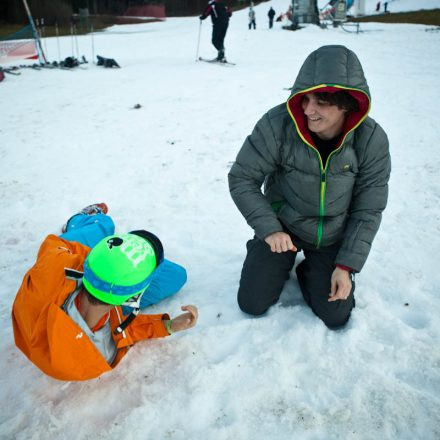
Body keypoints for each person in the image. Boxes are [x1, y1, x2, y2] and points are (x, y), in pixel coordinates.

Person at [228, 45, 391, 329]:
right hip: (283, 228)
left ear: (348, 103)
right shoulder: (278, 124)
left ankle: (311, 270)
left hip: (332, 235)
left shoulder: (371, 139)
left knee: (336, 315)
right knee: (252, 303)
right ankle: (269, 257)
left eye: (322, 102)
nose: (308, 110)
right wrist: (270, 229)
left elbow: (369, 208)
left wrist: (345, 265)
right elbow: (242, 178)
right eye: (305, 99)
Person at [12, 203, 198, 381]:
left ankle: (89, 225)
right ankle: (78, 221)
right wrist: (167, 326)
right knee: (175, 275)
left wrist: (105, 263)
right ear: (132, 298)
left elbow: (54, 244)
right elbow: (123, 330)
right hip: (103, 290)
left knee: (104, 224)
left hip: (71, 276)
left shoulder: (55, 262)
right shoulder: (101, 351)